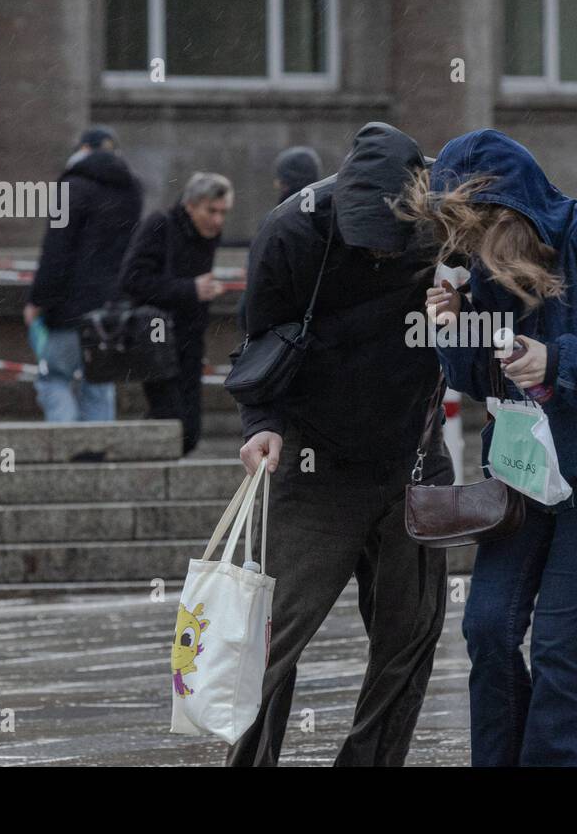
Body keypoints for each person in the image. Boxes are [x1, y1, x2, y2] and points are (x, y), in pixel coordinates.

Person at [395, 128, 577, 767]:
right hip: (520, 479)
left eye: (469, 229)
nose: (460, 247)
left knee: (556, 640)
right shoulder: (477, 263)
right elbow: (477, 378)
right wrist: (454, 327)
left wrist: (557, 360)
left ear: (506, 212)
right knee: (487, 627)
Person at [228, 122, 452, 767]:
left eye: (393, 248)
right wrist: (260, 424)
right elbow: (260, 340)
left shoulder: (451, 212)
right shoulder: (290, 232)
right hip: (313, 454)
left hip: (414, 451)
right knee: (273, 634)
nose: (381, 258)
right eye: (368, 248)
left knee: (410, 634)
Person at [24, 126, 143, 422]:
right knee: (99, 382)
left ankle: (65, 446)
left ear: (84, 150)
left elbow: (56, 251)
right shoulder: (131, 190)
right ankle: (97, 452)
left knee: (54, 377)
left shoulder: (71, 187)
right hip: (111, 309)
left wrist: (38, 300)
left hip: (70, 307)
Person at [119, 172, 230, 456]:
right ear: (190, 205)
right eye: (211, 211)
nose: (218, 220)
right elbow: (132, 280)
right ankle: (128, 454)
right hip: (156, 340)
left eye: (223, 212)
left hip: (190, 341)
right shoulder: (160, 225)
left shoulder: (209, 236)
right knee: (174, 422)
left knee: (189, 431)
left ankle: (130, 454)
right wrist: (189, 289)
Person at [237, 146, 326, 336]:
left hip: (280, 335)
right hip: (320, 332)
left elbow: (256, 290)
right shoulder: (329, 219)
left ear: (283, 183)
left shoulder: (276, 221)